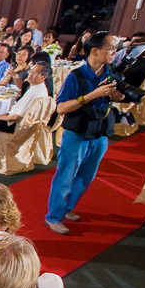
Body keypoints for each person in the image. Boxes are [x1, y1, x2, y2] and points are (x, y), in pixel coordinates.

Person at [46, 31, 124, 234]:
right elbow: (61, 108)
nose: (114, 53)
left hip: (100, 132)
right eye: (111, 49)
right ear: (96, 51)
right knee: (65, 176)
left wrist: (118, 95)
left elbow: (119, 96)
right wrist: (91, 95)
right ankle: (54, 216)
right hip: (77, 133)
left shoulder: (110, 70)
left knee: (86, 177)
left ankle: (68, 208)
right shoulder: (76, 76)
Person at [0, 62, 52, 158]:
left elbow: (16, 117)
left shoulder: (37, 92)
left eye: (35, 72)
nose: (30, 74)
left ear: (43, 77)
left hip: (17, 125)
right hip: (18, 121)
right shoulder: (37, 88)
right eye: (31, 71)